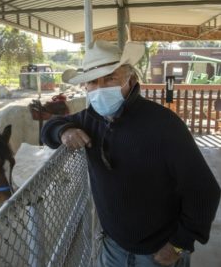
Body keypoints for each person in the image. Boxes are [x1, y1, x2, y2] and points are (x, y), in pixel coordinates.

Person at [41, 40, 221, 267]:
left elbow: (204, 190)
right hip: (112, 245)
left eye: (110, 78)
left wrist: (179, 243)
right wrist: (63, 131)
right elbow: (50, 127)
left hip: (159, 251)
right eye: (93, 82)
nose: (101, 88)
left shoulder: (164, 124)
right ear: (85, 87)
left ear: (131, 79)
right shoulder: (89, 119)